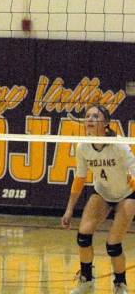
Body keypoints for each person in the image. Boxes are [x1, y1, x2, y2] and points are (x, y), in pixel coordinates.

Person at [61, 104, 135, 294]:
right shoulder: (83, 147)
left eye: (95, 116)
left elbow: (134, 172)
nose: (90, 119)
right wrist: (69, 209)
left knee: (113, 244)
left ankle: (120, 284)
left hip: (127, 194)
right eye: (87, 116)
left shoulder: (119, 144)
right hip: (102, 192)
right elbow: (79, 179)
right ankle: (86, 280)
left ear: (106, 123)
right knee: (83, 236)